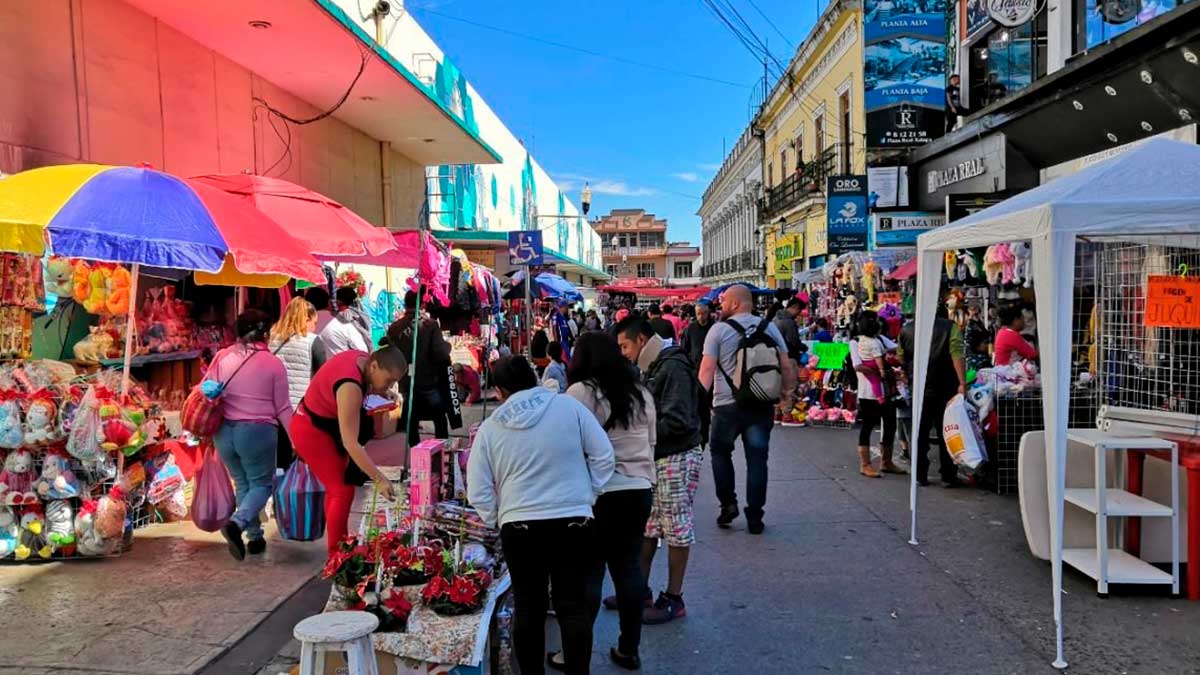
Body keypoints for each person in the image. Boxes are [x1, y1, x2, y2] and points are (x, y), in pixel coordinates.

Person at [467, 356, 615, 675]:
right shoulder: (568, 407)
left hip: (519, 526)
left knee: (529, 607)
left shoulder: (492, 427)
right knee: (572, 606)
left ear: (502, 390)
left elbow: (477, 486)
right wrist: (588, 493)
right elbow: (604, 454)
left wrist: (497, 517)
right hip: (573, 520)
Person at [560, 333, 655, 671]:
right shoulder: (641, 392)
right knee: (629, 569)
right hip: (638, 489)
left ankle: (575, 656)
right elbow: (651, 441)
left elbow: (567, 446)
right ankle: (629, 649)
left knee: (589, 574)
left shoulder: (580, 393)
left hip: (596, 494)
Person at [614, 318, 704, 624]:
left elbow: (677, 421)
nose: (623, 353)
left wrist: (639, 436)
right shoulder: (654, 366)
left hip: (676, 457)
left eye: (625, 346)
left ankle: (674, 598)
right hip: (657, 458)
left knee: (676, 527)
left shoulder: (672, 366)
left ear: (641, 339)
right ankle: (639, 590)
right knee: (649, 526)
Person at [698, 285, 795, 534]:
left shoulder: (718, 330)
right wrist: (786, 393)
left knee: (720, 453)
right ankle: (755, 516)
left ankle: (728, 504)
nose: (721, 306)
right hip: (761, 405)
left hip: (726, 406)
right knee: (757, 460)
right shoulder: (769, 328)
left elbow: (707, 369)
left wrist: (698, 402)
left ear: (735, 303)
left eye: (724, 302)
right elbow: (785, 364)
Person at [292, 346, 408, 555]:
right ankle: (337, 556)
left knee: (336, 489)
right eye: (389, 380)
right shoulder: (350, 388)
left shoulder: (362, 360)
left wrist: (384, 391)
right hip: (311, 432)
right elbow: (351, 443)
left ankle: (339, 547)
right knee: (341, 491)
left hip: (318, 424)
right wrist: (380, 478)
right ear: (374, 365)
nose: (390, 386)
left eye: (394, 383)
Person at [208, 311, 294, 560]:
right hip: (257, 432)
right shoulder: (273, 363)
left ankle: (254, 538)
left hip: (224, 432)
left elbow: (207, 389)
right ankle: (237, 523)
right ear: (265, 333)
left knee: (243, 483)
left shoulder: (222, 357)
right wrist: (297, 438)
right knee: (261, 485)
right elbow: (283, 408)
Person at [899, 307, 968, 487]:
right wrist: (962, 382)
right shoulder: (950, 327)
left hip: (920, 388)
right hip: (946, 386)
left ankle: (920, 475)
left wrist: (908, 376)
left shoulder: (906, 330)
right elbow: (957, 354)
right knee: (947, 431)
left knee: (920, 433)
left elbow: (902, 358)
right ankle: (948, 475)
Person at [387, 291, 453, 447]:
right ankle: (441, 450)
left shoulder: (395, 327)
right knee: (439, 417)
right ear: (422, 305)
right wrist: (447, 348)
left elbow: (391, 352)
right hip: (429, 380)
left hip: (406, 380)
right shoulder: (430, 325)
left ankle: (416, 452)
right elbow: (440, 353)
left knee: (411, 418)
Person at [851, 311, 905, 478]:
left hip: (886, 391)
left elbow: (896, 347)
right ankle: (865, 464)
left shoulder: (879, 339)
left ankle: (886, 462)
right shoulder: (855, 342)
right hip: (868, 392)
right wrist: (879, 372)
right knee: (867, 425)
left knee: (890, 424)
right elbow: (857, 366)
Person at [269, 297, 327, 410]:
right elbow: (322, 377)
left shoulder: (271, 336)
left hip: (273, 405)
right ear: (306, 320)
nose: (315, 328)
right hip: (298, 406)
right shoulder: (312, 341)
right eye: (314, 323)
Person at [680, 300, 715, 447]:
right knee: (700, 403)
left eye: (703, 313)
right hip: (696, 371)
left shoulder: (715, 328)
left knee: (710, 402)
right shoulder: (691, 328)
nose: (701, 317)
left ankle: (707, 432)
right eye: (698, 314)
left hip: (713, 371)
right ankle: (700, 434)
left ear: (708, 313)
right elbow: (685, 348)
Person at [318, 287, 372, 357]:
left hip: (352, 352)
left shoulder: (344, 316)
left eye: (336, 299)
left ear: (340, 301)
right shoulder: (359, 314)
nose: (335, 301)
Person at [773, 298, 806, 365]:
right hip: (788, 358)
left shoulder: (775, 318)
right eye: (799, 311)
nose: (798, 314)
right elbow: (793, 342)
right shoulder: (788, 322)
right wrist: (804, 347)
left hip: (777, 356)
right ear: (795, 307)